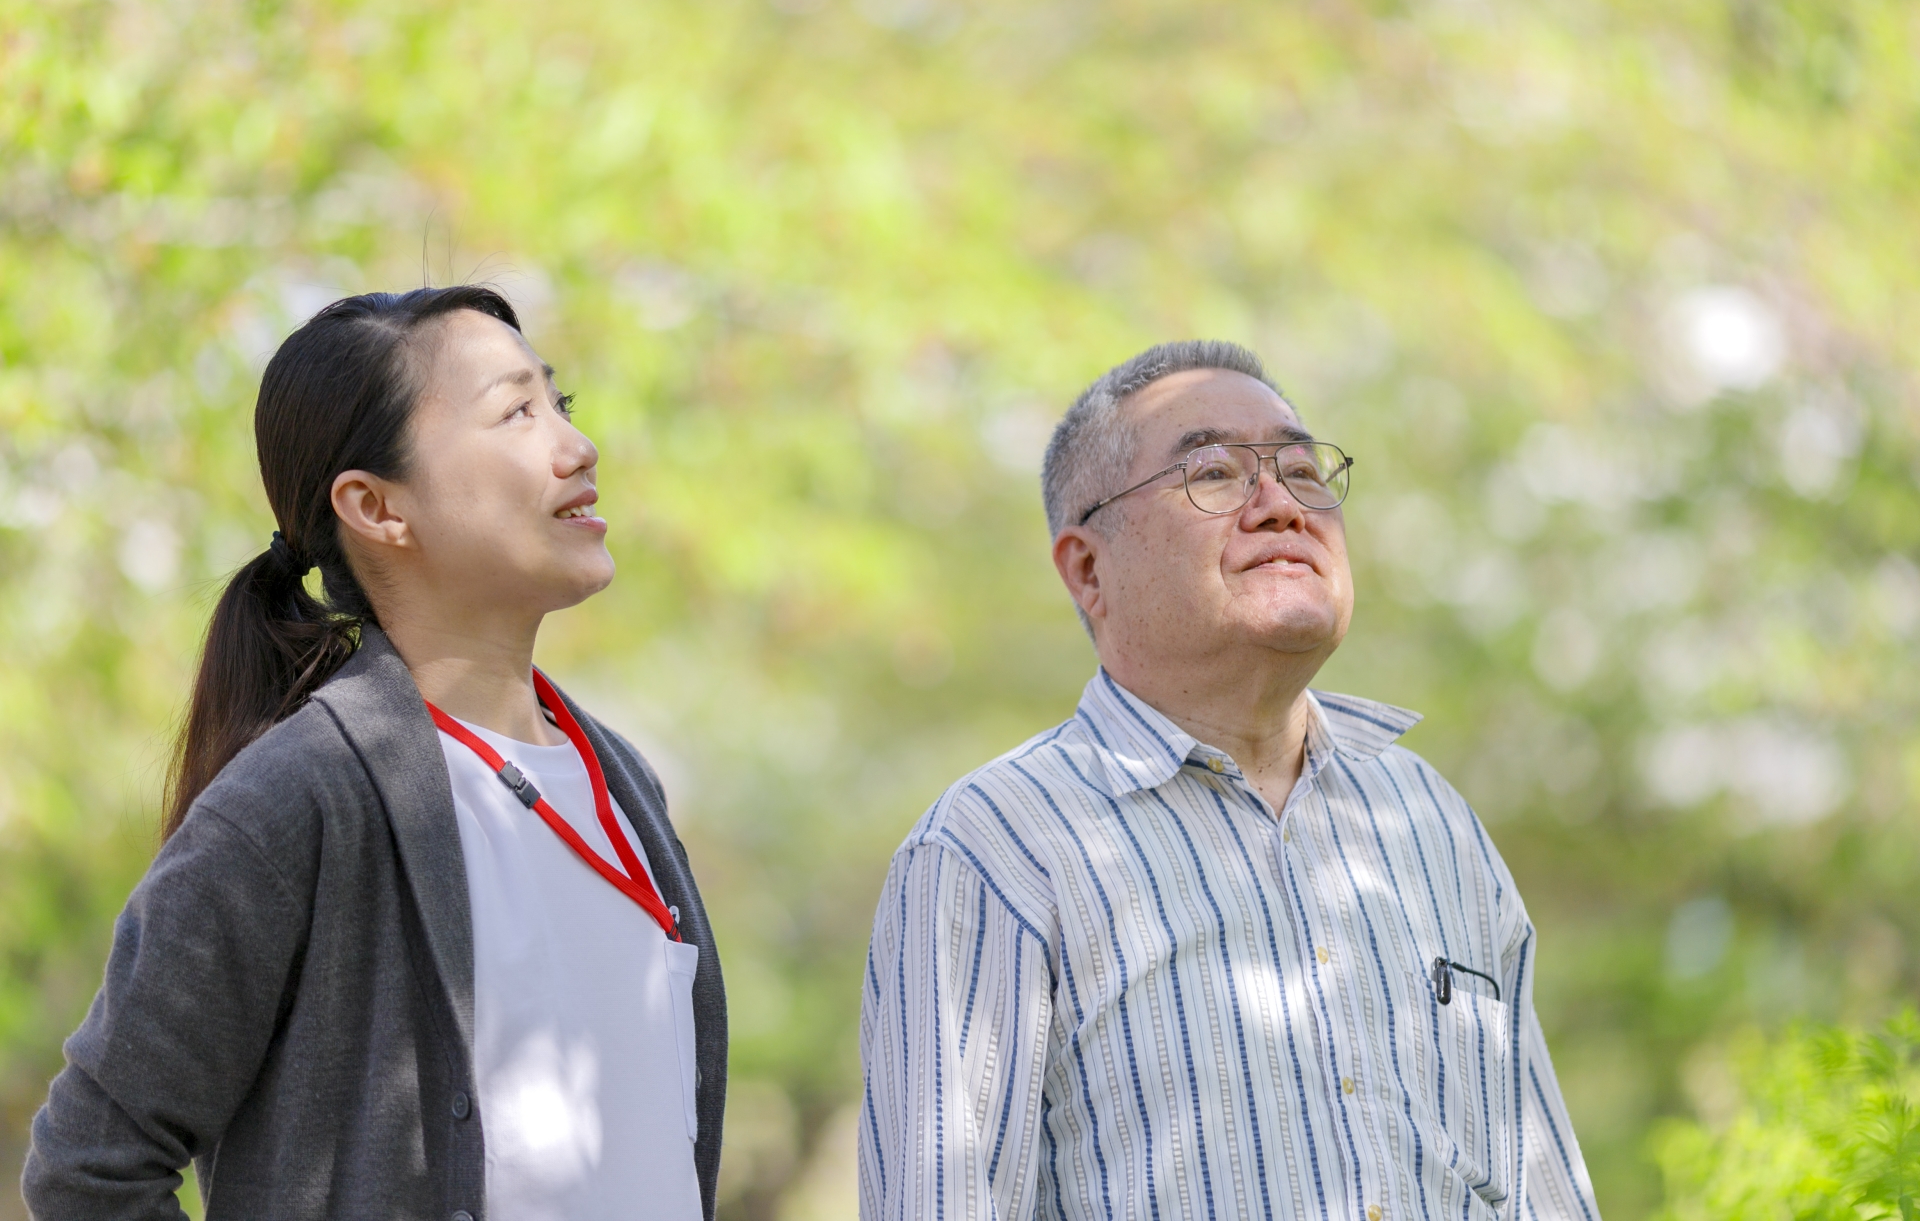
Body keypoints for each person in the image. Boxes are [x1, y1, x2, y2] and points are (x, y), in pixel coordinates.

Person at [23, 288, 726, 1221]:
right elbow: (89, 1169)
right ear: (376, 506)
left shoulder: (623, 782)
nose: (575, 446)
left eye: (562, 405)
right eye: (516, 411)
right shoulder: (300, 798)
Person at [859, 341, 1599, 1221]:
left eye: (1301, 470)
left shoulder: (1428, 820)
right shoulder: (996, 849)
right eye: (1213, 474)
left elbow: (1542, 1191)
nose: (1280, 505)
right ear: (1089, 570)